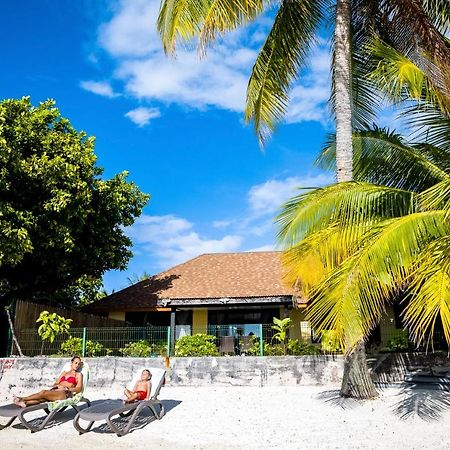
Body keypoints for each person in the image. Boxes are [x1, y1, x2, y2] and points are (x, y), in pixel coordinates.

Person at [13, 356, 84, 408]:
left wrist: (67, 389)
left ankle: (22, 398)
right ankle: (25, 403)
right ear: (71, 363)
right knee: (42, 399)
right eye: (76, 363)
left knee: (43, 392)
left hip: (64, 393)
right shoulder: (64, 373)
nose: (77, 365)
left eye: (79, 364)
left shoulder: (78, 374)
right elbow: (55, 384)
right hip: (56, 390)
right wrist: (58, 386)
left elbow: (79, 388)